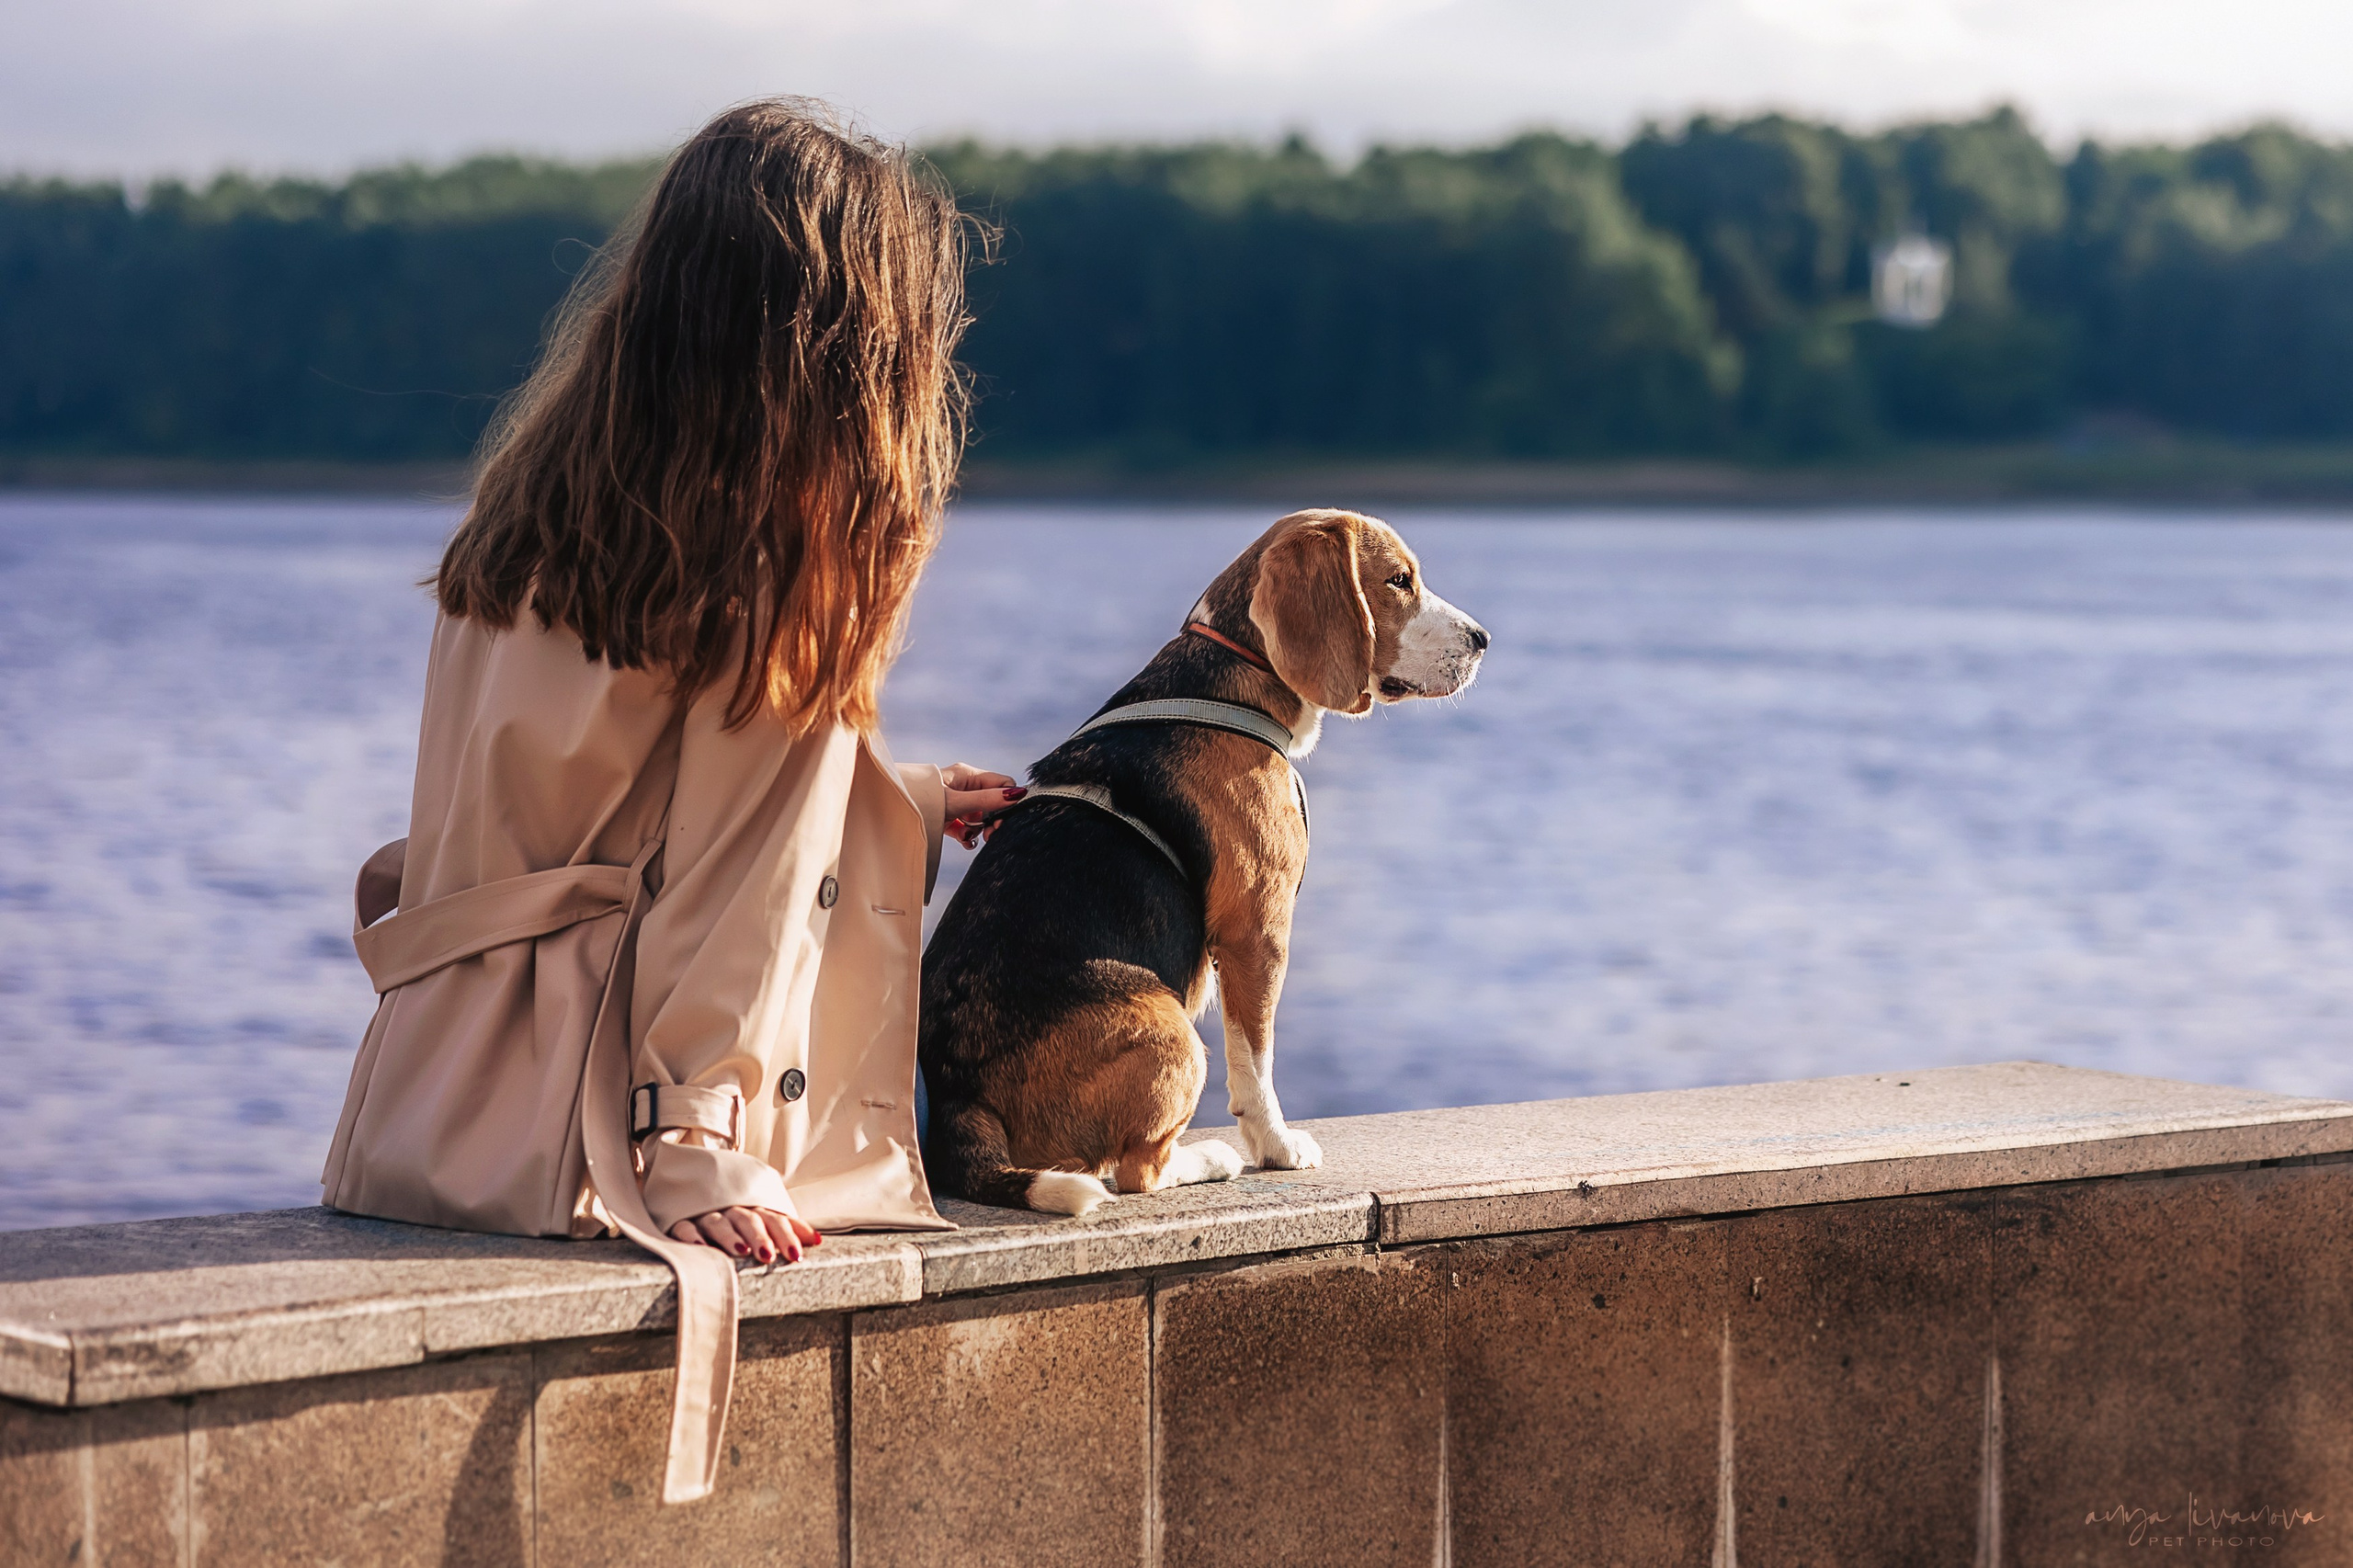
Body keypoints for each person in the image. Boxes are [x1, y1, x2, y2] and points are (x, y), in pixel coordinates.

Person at [318, 99, 1013, 1503]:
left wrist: (892, 798)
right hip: (587, 1154)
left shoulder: (530, 524)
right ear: (847, 350)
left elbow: (588, 808)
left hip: (427, 1108)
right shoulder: (778, 576)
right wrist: (699, 1139)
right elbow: (727, 881)